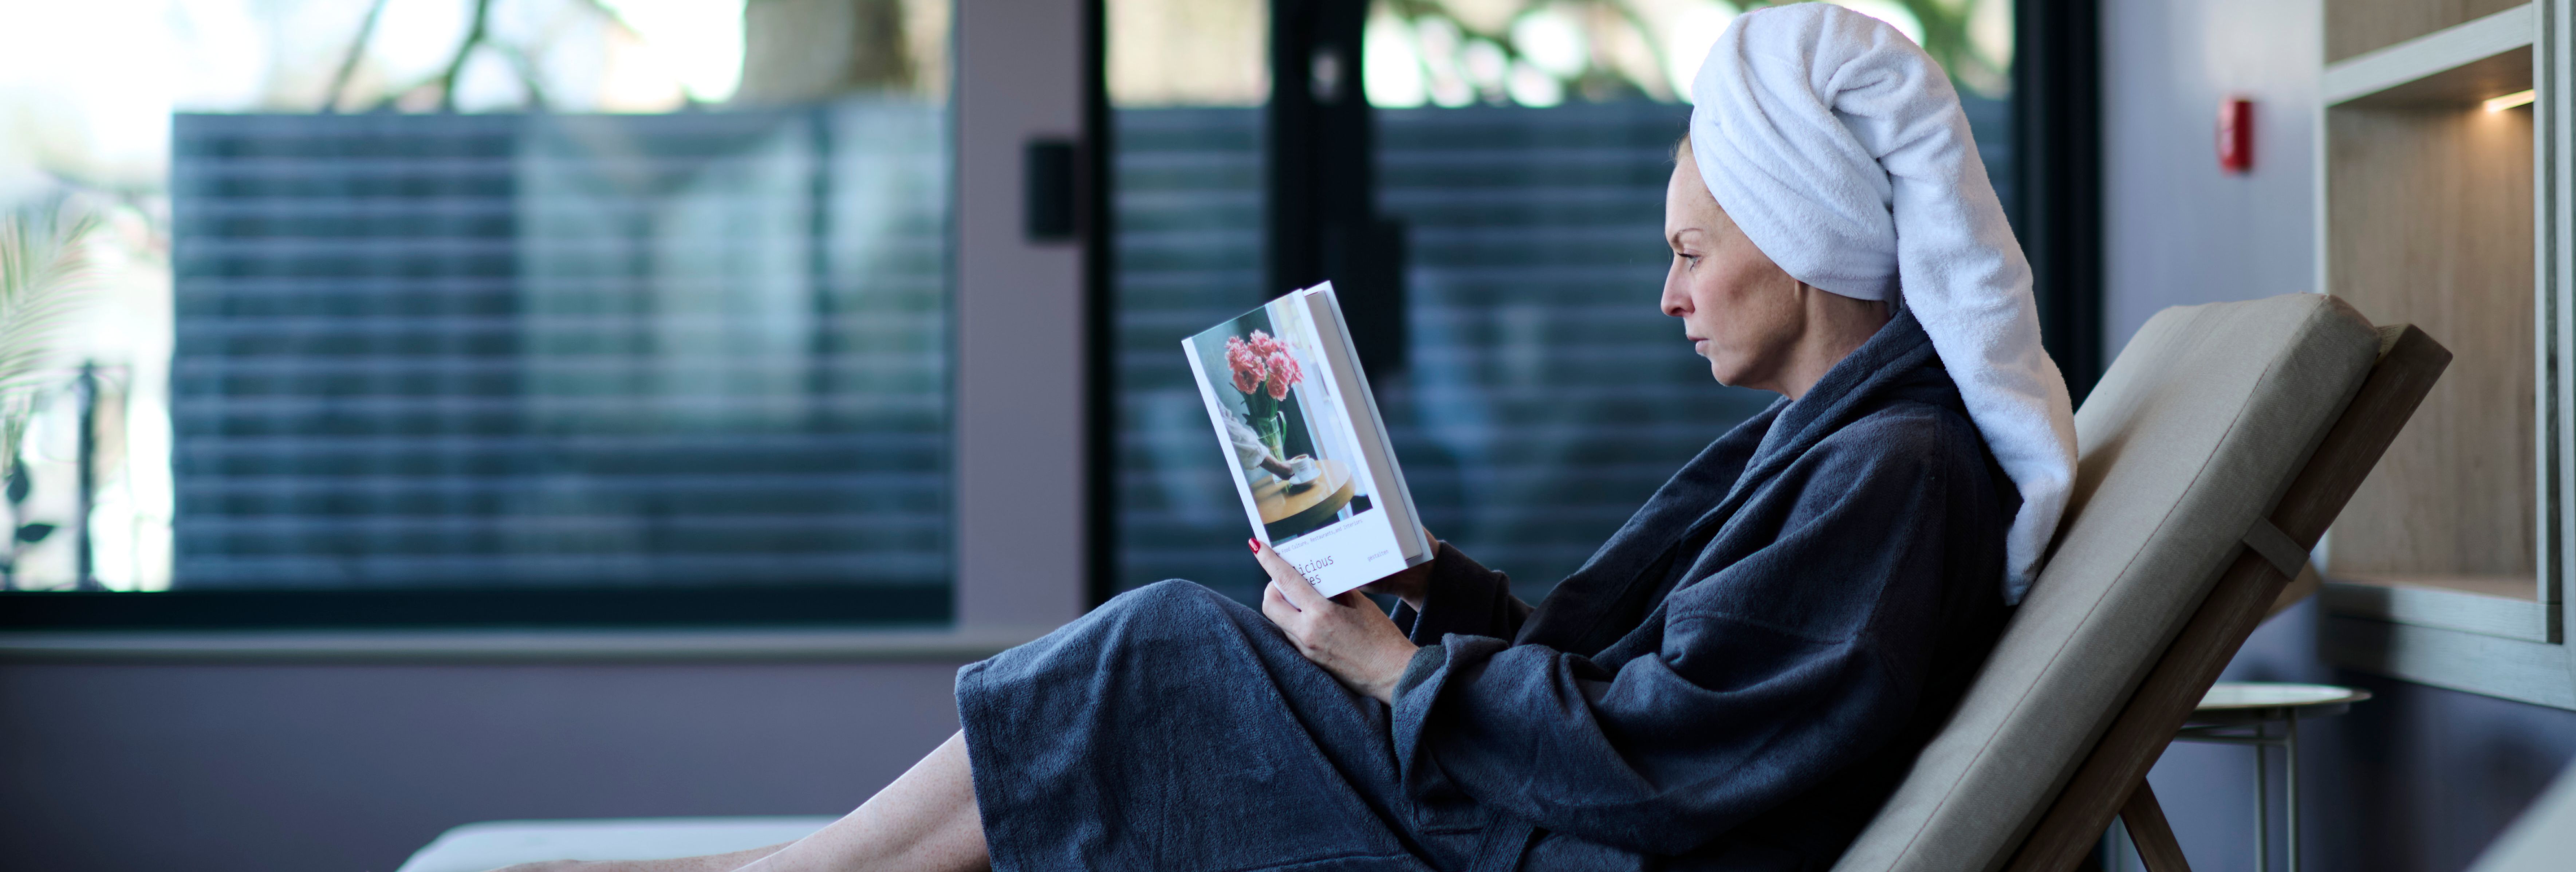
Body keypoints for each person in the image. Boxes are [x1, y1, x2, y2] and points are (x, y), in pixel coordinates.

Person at [495, 5, 2075, 871]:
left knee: (1162, 651)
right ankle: (813, 866)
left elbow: (1675, 760)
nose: (1662, 294)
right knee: (1161, 651)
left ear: (1798, 244)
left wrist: (1394, 668)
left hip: (1572, 856)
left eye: (1685, 251)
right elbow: (1629, 682)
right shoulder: (1831, 444)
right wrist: (1424, 582)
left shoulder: (1892, 471)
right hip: (1552, 816)